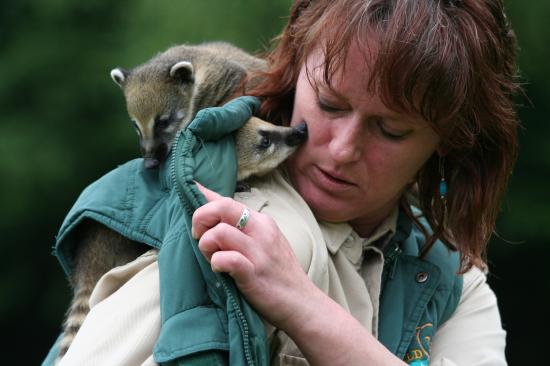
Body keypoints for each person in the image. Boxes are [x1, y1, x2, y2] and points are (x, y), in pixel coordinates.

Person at [52, 0, 519, 365]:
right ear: (297, 71)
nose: (341, 149)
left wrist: (302, 307)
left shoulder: (452, 279)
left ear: (449, 138)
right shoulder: (238, 216)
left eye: (390, 130)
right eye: (331, 105)